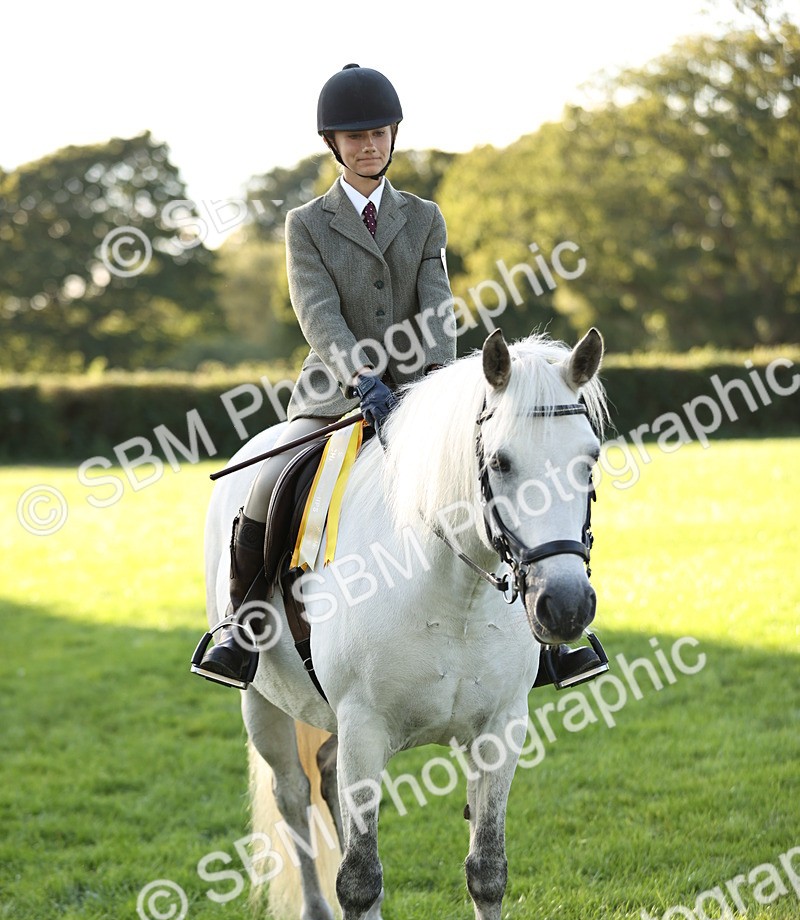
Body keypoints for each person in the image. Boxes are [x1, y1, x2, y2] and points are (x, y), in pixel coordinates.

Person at [192, 63, 608, 692]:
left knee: (515, 481)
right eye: (356, 137)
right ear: (334, 145)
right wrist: (363, 379)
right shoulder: (305, 223)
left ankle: (546, 642)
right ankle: (243, 632)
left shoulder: (422, 218)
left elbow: (438, 306)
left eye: (380, 133)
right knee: (270, 485)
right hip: (334, 393)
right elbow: (317, 312)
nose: (370, 145)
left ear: (393, 136)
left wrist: (432, 388)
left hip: (423, 393)